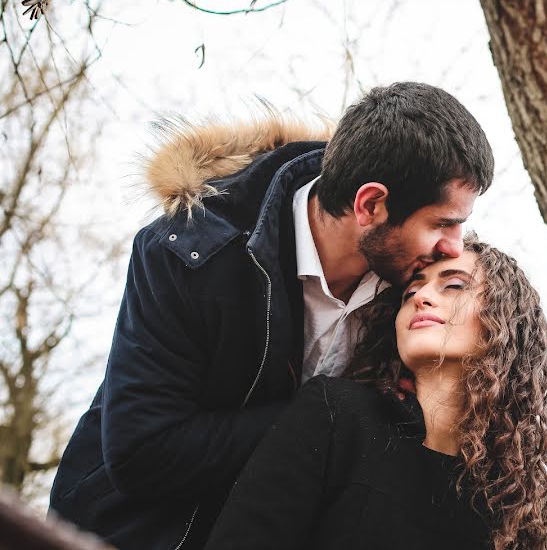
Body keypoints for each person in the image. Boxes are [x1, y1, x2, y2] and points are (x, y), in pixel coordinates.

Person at [49, 83, 494, 549]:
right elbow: (143, 454)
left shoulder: (414, 289)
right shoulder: (190, 254)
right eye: (443, 223)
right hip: (131, 533)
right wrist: (328, 417)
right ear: (370, 205)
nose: (454, 246)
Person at [204, 236, 547, 550]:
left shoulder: (511, 501)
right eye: (410, 293)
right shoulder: (336, 414)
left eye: (453, 285)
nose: (421, 297)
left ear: (504, 322)